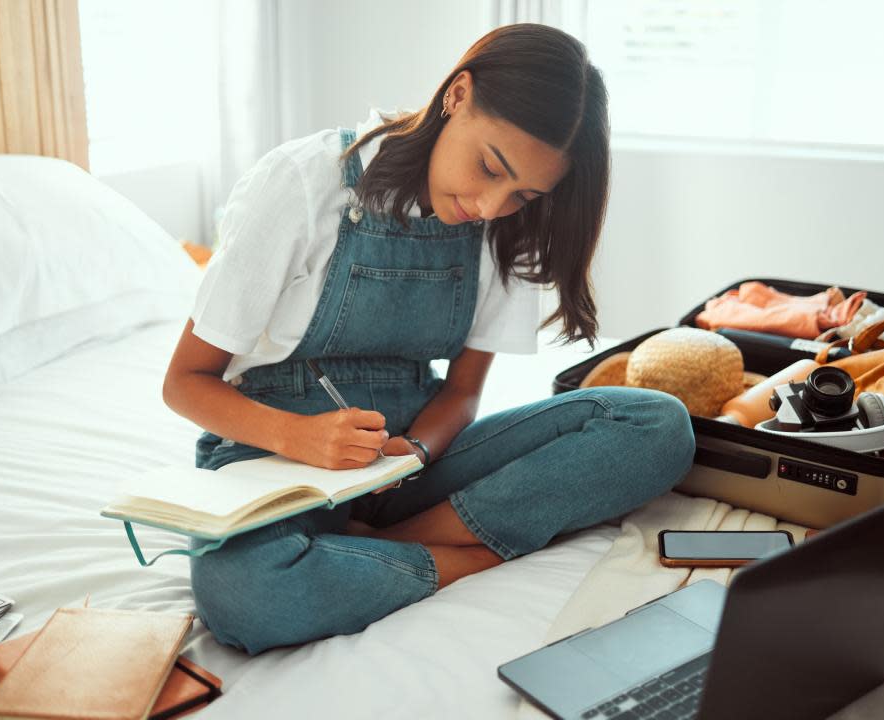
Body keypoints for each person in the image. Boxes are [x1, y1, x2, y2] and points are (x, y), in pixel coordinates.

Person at [162, 23, 695, 655]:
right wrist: (299, 437)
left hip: (407, 466)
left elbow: (464, 394)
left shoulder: (504, 229)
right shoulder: (304, 182)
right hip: (273, 458)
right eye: (489, 168)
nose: (493, 205)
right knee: (248, 597)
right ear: (457, 95)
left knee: (657, 426)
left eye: (522, 193)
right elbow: (184, 383)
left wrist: (414, 452)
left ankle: (388, 544)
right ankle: (466, 558)